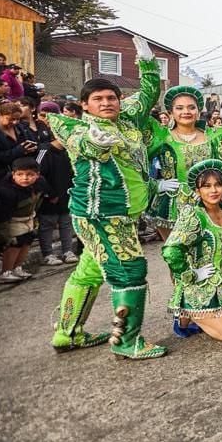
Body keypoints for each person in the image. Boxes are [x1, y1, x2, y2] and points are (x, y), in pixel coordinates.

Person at [47, 35, 167, 359]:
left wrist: (147, 62)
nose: (106, 103)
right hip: (102, 216)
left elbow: (148, 94)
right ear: (85, 105)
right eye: (98, 99)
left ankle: (67, 333)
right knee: (129, 272)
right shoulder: (78, 129)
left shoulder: (127, 117)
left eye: (111, 97)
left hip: (121, 215)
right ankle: (127, 342)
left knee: (89, 270)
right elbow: (83, 143)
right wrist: (95, 141)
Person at [160, 160, 222, 342]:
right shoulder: (194, 216)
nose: (213, 190)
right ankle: (187, 316)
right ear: (197, 190)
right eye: (206, 186)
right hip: (204, 283)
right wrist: (191, 275)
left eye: (218, 185)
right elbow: (171, 250)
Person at [146, 86, 222, 241]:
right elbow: (136, 164)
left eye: (191, 107)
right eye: (179, 108)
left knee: (209, 253)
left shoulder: (214, 137)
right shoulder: (161, 137)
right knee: (178, 255)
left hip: (209, 202)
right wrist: (155, 184)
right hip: (172, 204)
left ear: (198, 111)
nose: (186, 112)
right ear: (171, 113)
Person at [35, 109, 78, 266]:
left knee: (66, 224)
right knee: (47, 226)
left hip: (67, 196)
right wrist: (49, 194)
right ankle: (48, 254)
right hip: (50, 198)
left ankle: (68, 251)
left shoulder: (70, 152)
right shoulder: (44, 150)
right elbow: (37, 174)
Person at [0, 157, 44, 284]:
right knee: (15, 244)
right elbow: (1, 217)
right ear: (13, 174)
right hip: (13, 220)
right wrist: (2, 237)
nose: (25, 178)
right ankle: (6, 272)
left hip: (29, 217)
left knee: (27, 241)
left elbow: (40, 199)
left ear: (37, 175)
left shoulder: (40, 183)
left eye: (30, 175)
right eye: (20, 174)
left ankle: (17, 268)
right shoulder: (6, 191)